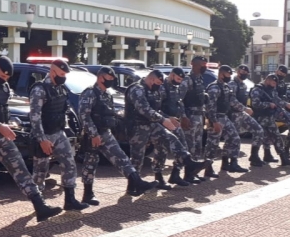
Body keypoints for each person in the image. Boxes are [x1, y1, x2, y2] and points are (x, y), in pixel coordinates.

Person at [0, 56, 62, 229]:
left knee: (21, 170)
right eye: (2, 76)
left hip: (3, 138)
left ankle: (40, 206)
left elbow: (2, 109)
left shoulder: (5, 87)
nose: (4, 80)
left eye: (7, 78)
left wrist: (9, 124)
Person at [78, 66, 158, 204]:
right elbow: (84, 115)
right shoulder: (90, 93)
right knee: (91, 163)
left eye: (112, 79)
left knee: (121, 157)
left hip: (106, 133)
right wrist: (93, 134)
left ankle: (136, 182)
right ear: (100, 78)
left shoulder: (107, 94)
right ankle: (88, 194)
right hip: (93, 135)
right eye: (108, 79)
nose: (110, 81)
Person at [125, 69, 208, 190]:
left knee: (170, 138)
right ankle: (132, 185)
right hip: (137, 126)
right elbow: (144, 109)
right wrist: (163, 120)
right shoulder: (137, 89)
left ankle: (188, 163)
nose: (159, 86)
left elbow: (157, 109)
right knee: (137, 157)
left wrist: (167, 118)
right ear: (152, 79)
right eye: (158, 83)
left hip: (152, 124)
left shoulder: (154, 89)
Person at [29, 59, 88, 211]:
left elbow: (64, 111)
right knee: (40, 172)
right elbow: (35, 117)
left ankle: (70, 200)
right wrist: (42, 140)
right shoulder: (39, 90)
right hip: (44, 135)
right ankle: (39, 205)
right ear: (52, 71)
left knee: (69, 163)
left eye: (65, 74)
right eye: (61, 74)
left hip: (59, 133)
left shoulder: (60, 89)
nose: (63, 77)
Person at [203, 65, 249, 177]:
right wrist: (213, 122)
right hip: (215, 118)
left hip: (224, 117)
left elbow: (232, 100)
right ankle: (208, 168)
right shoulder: (214, 87)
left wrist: (244, 108)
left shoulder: (226, 87)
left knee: (235, 138)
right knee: (212, 144)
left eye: (230, 74)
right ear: (221, 74)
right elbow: (210, 106)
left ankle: (232, 163)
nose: (229, 76)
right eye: (228, 74)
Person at [152, 67, 191, 189]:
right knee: (161, 150)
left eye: (181, 79)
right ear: (172, 75)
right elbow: (156, 108)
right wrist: (167, 117)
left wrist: (183, 116)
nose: (179, 81)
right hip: (163, 123)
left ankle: (175, 174)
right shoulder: (162, 88)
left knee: (183, 148)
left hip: (175, 123)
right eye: (178, 78)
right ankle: (159, 178)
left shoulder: (177, 88)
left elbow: (180, 103)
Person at [249, 74, 290, 166]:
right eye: (273, 83)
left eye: (275, 84)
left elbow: (276, 100)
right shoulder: (257, 90)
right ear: (267, 80)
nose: (274, 85)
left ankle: (282, 158)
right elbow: (255, 104)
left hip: (269, 117)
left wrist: (285, 105)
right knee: (259, 137)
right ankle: (254, 157)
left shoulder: (271, 90)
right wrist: (268, 104)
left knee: (276, 136)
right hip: (260, 117)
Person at [228, 65, 265, 166]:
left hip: (242, 114)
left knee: (259, 130)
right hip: (233, 114)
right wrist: (244, 108)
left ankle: (254, 156)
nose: (243, 73)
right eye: (242, 71)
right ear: (237, 71)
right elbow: (231, 100)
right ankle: (230, 162)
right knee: (233, 139)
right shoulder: (232, 84)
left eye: (246, 72)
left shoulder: (244, 85)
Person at [180, 56, 209, 183]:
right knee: (189, 146)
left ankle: (193, 173)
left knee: (198, 146)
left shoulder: (200, 79)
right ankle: (187, 174)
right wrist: (183, 116)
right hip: (190, 116)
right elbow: (179, 100)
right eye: (201, 65)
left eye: (205, 65)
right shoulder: (187, 80)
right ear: (193, 64)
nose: (203, 67)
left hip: (199, 116)